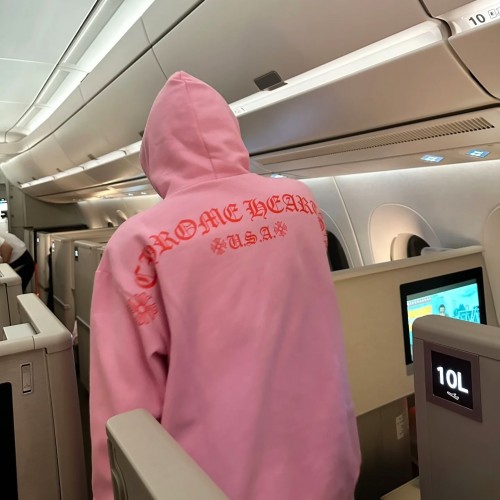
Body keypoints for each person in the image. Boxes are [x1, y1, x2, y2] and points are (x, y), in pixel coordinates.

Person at [90, 72, 360, 500]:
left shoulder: (137, 244)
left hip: (210, 486)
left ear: (153, 153)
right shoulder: (301, 203)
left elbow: (122, 424)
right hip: (329, 467)